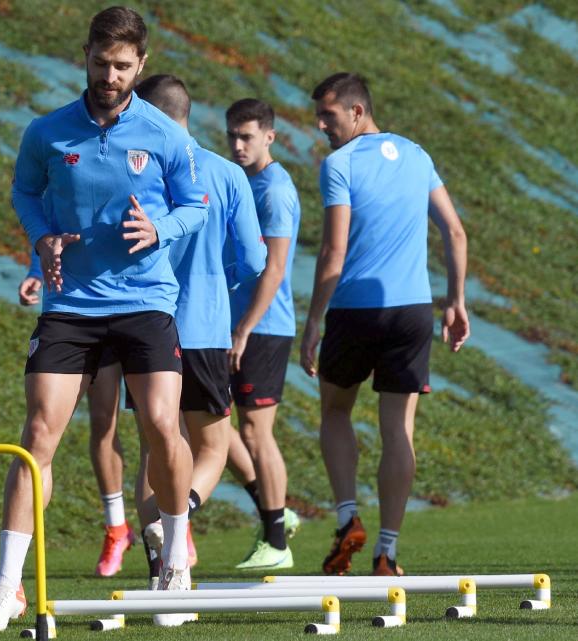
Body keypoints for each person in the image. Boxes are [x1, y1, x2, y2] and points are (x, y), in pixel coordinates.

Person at [0, 6, 208, 632]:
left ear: (142, 65)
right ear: (86, 55)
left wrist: (161, 227)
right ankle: (7, 585)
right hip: (71, 305)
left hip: (145, 300)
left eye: (123, 66)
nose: (110, 75)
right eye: (101, 63)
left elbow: (195, 206)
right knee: (38, 435)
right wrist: (42, 236)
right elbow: (25, 192)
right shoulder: (47, 132)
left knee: (161, 423)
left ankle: (174, 563)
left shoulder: (164, 134)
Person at [300, 72, 469, 576]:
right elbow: (455, 232)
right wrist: (455, 301)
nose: (321, 126)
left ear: (356, 112)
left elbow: (333, 251)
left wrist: (312, 321)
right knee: (399, 428)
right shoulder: (416, 155)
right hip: (413, 310)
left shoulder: (340, 165)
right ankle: (387, 553)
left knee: (335, 411)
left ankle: (348, 516)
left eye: (328, 115)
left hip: (355, 309)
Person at [129, 75, 268, 592]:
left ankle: (156, 552)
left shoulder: (137, 172)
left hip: (145, 324)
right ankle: (178, 516)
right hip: (205, 325)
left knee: (153, 448)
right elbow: (255, 258)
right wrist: (220, 278)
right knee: (212, 447)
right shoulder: (227, 173)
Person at [19, 257, 134, 578]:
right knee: (40, 434)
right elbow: (50, 220)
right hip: (69, 312)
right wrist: (34, 271)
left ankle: (119, 528)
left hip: (121, 309)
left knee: (105, 424)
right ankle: (13, 568)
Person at [225, 98, 302, 570]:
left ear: (269, 137)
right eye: (232, 135)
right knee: (211, 419)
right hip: (230, 325)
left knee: (256, 430)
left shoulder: (274, 189)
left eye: (247, 136)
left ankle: (276, 540)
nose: (237, 144)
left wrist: (246, 328)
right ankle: (276, 511)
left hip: (263, 327)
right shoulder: (241, 181)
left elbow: (274, 268)